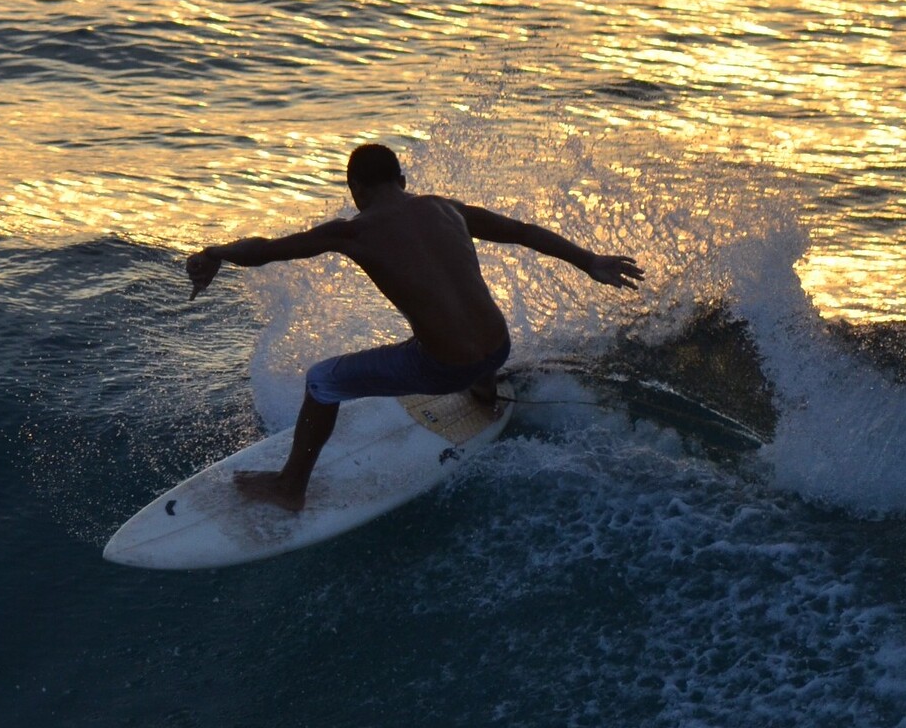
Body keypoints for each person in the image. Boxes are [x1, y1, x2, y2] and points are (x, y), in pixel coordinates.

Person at [185, 143, 643, 511]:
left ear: (356, 190)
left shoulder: (353, 232)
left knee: (322, 381)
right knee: (447, 327)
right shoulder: (447, 208)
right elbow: (524, 231)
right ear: (403, 181)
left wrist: (216, 253)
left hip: (444, 369)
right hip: (499, 347)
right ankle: (484, 388)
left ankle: (289, 487)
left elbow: (266, 250)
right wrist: (588, 260)